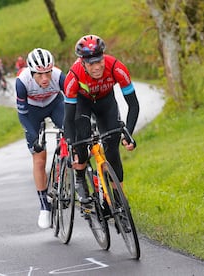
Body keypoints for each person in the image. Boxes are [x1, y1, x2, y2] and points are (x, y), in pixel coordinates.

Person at [63, 34, 139, 207]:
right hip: (83, 104)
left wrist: (128, 134)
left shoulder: (116, 67)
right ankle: (80, 178)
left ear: (104, 57)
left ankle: (118, 197)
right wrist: (71, 143)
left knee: (112, 147)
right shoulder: (74, 76)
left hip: (106, 102)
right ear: (82, 62)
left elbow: (133, 105)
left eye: (99, 61)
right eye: (91, 63)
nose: (96, 67)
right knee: (81, 141)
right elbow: (68, 118)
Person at [16, 48, 66, 229]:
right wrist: (34, 137)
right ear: (31, 72)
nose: (45, 79)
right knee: (39, 159)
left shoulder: (60, 76)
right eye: (39, 75)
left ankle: (68, 171)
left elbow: (74, 102)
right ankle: (44, 206)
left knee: (72, 134)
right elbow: (22, 115)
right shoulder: (22, 82)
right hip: (32, 112)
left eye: (48, 73)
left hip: (54, 104)